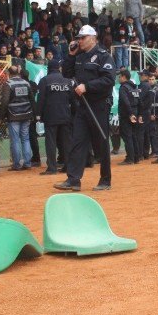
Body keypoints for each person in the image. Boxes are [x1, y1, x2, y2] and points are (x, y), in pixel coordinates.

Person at [54, 25, 115, 192]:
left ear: (93, 38)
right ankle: (73, 179)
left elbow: (109, 80)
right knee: (78, 142)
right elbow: (67, 73)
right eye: (78, 38)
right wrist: (71, 56)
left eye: (83, 38)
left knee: (101, 144)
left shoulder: (104, 57)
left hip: (99, 106)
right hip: (82, 106)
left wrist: (87, 86)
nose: (79, 40)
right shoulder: (79, 56)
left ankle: (105, 179)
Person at [36, 59, 72, 174]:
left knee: (51, 142)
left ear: (49, 68)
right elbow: (72, 99)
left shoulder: (44, 80)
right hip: (65, 115)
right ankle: (68, 166)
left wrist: (38, 115)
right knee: (66, 143)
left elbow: (40, 100)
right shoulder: (67, 81)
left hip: (51, 116)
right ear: (59, 68)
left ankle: (52, 168)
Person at [4, 65, 35, 170]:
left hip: (14, 116)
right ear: (18, 72)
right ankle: (27, 163)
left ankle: (16, 164)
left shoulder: (8, 84)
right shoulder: (26, 83)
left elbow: (4, 102)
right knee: (25, 139)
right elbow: (31, 99)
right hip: (26, 114)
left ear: (8, 74)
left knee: (15, 140)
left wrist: (1, 116)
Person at [117, 69, 143, 165]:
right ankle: (136, 157)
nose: (119, 78)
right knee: (133, 136)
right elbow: (140, 102)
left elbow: (125, 102)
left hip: (127, 115)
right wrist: (139, 114)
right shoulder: (135, 88)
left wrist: (130, 114)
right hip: (135, 113)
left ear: (124, 77)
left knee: (128, 136)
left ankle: (130, 158)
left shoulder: (123, 88)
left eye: (119, 76)